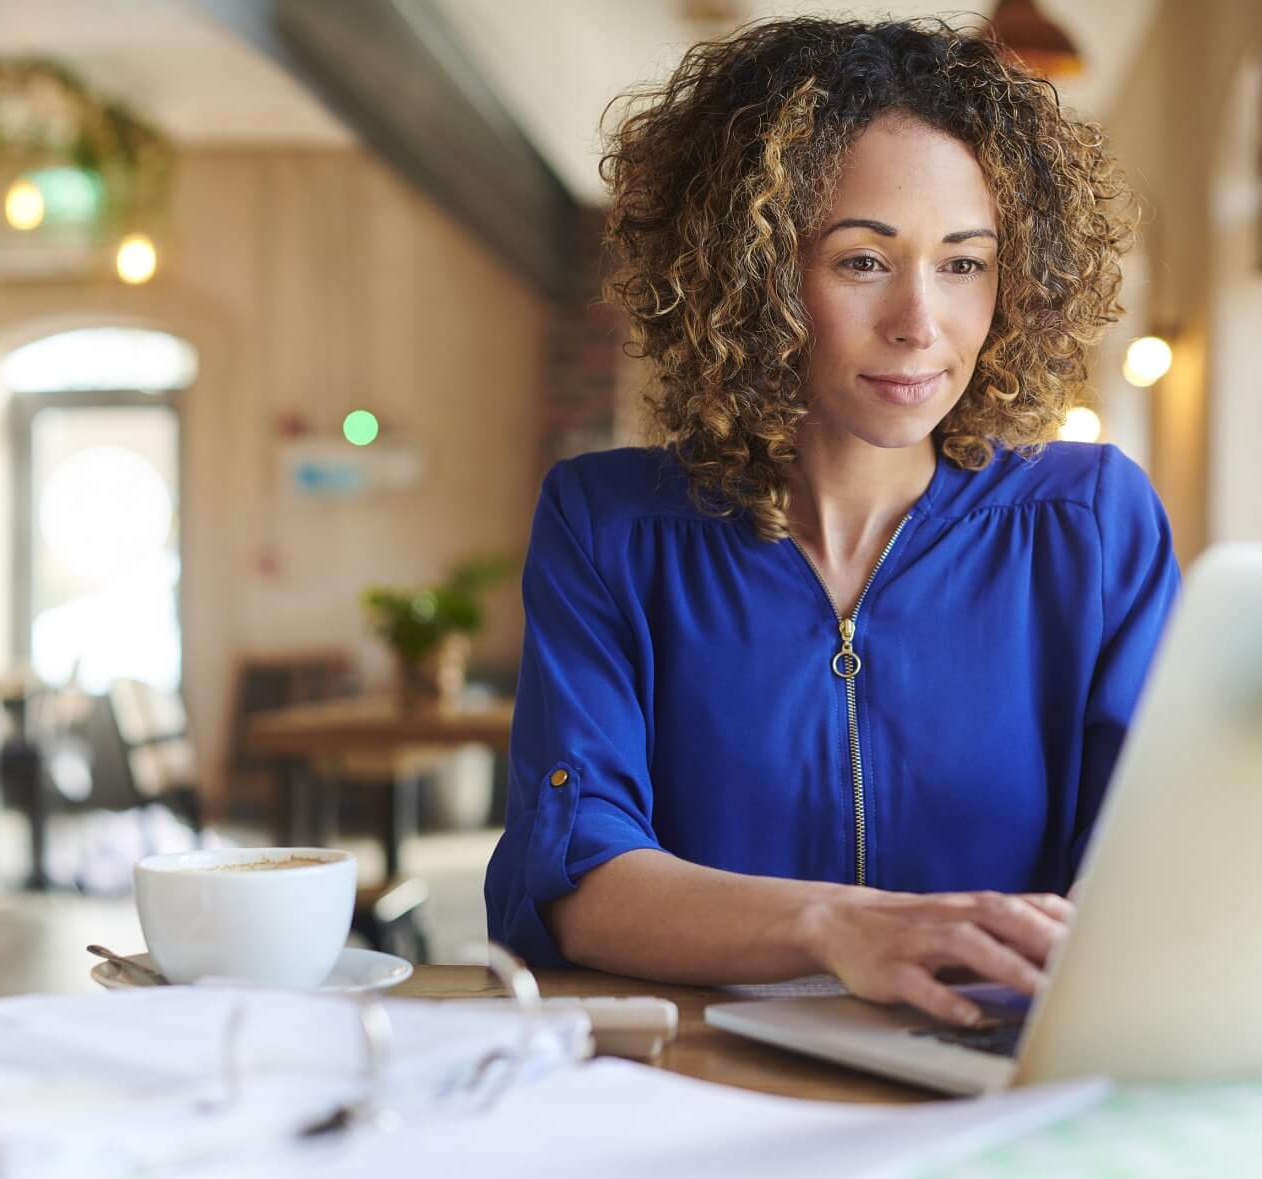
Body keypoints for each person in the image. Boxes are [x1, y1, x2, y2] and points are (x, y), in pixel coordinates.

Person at [482, 18, 1180, 1025]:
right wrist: (834, 926)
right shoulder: (610, 526)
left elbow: (1158, 856)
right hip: (708, 1092)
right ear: (752, 273)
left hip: (993, 1081)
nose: (919, 324)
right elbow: (574, 876)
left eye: (963, 264)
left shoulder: (1090, 522)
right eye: (862, 261)